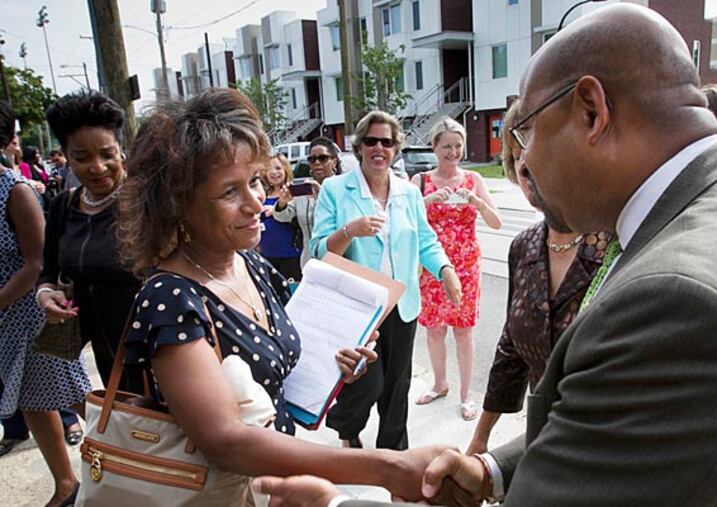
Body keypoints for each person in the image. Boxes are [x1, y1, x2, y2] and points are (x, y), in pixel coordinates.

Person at [255, 4, 717, 506]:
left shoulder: (674, 299)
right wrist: (494, 470)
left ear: (591, 110)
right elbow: (621, 430)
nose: (526, 160)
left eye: (528, 132)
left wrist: (335, 504)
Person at [116, 88, 448, 503]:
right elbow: (226, 441)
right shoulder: (170, 299)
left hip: (277, 489)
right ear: (176, 206)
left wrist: (335, 366)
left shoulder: (250, 264)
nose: (257, 202)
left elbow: (277, 376)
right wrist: (387, 467)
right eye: (229, 192)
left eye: (254, 180)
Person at [311, 110, 462, 451]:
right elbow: (319, 250)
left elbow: (425, 240)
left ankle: (394, 454)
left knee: (397, 385)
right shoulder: (336, 190)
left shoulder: (408, 193)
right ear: (359, 147)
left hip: (402, 304)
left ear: (396, 149)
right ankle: (346, 426)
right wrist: (351, 230)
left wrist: (445, 270)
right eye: (371, 141)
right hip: (358, 304)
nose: (379, 148)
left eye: (387, 142)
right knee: (367, 383)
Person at [466, 100, 609, 454]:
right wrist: (480, 440)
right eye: (517, 156)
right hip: (546, 437)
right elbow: (511, 351)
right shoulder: (524, 246)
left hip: (609, 446)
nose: (527, 164)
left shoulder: (617, 242)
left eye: (538, 150)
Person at [0, 100, 90, 507]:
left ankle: (141, 458)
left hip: (32, 315)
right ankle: (66, 484)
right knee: (29, 402)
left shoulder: (14, 190)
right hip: (5, 321)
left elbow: (37, 262)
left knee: (73, 394)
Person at [37, 90, 142, 392]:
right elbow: (48, 270)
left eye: (107, 154)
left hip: (158, 349)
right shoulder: (64, 206)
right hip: (106, 357)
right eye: (82, 157)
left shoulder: (147, 203)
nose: (97, 166)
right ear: (67, 157)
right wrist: (46, 295)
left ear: (121, 150)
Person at [410, 117, 502, 421]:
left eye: (457, 146)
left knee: (464, 331)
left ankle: (465, 394)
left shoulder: (474, 179)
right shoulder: (420, 181)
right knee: (434, 330)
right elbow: (404, 220)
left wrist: (476, 201)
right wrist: (429, 199)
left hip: (466, 265)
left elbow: (496, 222)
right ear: (434, 147)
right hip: (433, 266)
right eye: (446, 146)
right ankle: (439, 383)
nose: (453, 152)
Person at [273, 137, 342, 269]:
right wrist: (282, 202)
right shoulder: (305, 187)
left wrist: (321, 195)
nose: (317, 163)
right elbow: (282, 216)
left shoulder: (342, 187)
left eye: (323, 158)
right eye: (312, 159)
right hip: (309, 261)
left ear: (334, 161)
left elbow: (343, 220)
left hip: (336, 261)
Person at [259, 153, 302, 280]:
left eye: (278, 168)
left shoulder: (293, 193)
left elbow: (298, 218)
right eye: (269, 169)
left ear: (286, 170)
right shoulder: (263, 194)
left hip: (291, 256)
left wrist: (276, 210)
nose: (274, 172)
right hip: (267, 256)